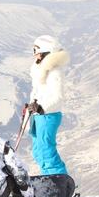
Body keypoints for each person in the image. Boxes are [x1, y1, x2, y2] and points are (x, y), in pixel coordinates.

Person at [26, 35, 70, 175]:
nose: (35, 56)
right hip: (39, 115)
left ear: (46, 53)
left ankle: (59, 181)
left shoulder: (54, 72)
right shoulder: (42, 71)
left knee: (46, 150)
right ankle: (48, 178)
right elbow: (38, 91)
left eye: (37, 52)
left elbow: (57, 96)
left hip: (48, 115)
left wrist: (41, 108)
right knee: (38, 151)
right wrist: (32, 106)